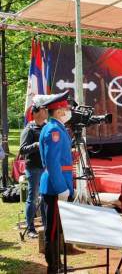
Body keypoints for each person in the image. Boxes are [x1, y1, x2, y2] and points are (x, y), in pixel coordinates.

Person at [39, 91, 74, 273]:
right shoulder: (53, 130)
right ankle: (53, 267)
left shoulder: (56, 127)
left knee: (57, 227)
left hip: (57, 183)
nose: (68, 110)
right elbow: (52, 162)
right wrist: (62, 187)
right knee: (52, 229)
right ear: (59, 110)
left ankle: (57, 263)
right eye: (66, 107)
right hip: (55, 186)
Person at [19, 95, 49, 238]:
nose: (46, 111)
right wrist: (37, 145)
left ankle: (46, 225)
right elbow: (22, 149)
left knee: (45, 197)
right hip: (33, 168)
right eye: (44, 109)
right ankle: (30, 228)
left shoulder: (47, 127)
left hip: (45, 167)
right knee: (33, 197)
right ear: (36, 112)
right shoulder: (29, 129)